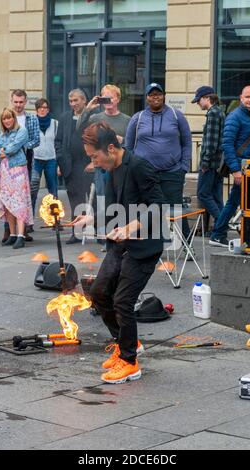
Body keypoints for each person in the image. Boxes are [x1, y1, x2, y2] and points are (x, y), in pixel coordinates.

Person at [70, 122, 167, 384]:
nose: (94, 162)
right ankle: (127, 342)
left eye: (94, 157)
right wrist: (89, 220)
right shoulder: (112, 169)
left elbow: (159, 206)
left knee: (123, 300)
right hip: (121, 244)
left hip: (144, 246)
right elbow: (114, 211)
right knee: (100, 292)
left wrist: (132, 226)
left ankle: (129, 362)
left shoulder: (139, 166)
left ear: (111, 148)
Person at [125, 82, 192, 241]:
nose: (156, 97)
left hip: (173, 172)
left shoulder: (177, 116)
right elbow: (128, 146)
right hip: (145, 174)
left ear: (164, 96)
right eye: (152, 94)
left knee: (175, 209)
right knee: (146, 209)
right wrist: (131, 170)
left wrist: (184, 167)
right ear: (147, 98)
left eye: (158, 94)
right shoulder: (138, 118)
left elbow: (187, 143)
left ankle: (186, 244)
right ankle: (148, 243)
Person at [209, 85, 250, 247]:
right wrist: (236, 170)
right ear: (241, 98)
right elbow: (227, 145)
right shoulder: (234, 116)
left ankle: (217, 234)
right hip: (241, 168)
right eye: (247, 97)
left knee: (233, 202)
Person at [55, 88, 98, 244]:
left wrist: (94, 161)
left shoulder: (92, 117)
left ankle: (99, 231)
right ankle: (77, 232)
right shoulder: (65, 117)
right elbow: (58, 141)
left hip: (88, 164)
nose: (73, 104)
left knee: (94, 199)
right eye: (71, 101)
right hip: (70, 165)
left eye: (76, 100)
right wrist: (60, 160)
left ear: (84, 101)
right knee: (75, 200)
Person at [89, 84, 131, 245]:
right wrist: (89, 108)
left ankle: (118, 233)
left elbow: (132, 143)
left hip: (119, 167)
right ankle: (104, 236)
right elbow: (81, 130)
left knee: (118, 200)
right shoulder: (95, 118)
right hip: (102, 168)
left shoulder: (127, 120)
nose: (108, 101)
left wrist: (123, 141)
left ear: (118, 99)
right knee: (102, 200)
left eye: (111, 97)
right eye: (104, 98)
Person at [1, 89, 40, 243]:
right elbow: (2, 141)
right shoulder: (7, 117)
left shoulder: (31, 118)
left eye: (21, 102)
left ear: (25, 102)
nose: (18, 105)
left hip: (25, 158)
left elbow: (36, 139)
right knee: (7, 195)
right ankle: (8, 230)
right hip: (7, 162)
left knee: (23, 195)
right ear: (12, 101)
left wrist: (21, 146)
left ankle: (23, 231)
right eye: (15, 102)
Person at [0, 108, 33, 250]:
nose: (7, 121)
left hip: (18, 171)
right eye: (4, 119)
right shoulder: (3, 134)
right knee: (8, 203)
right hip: (4, 172)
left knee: (19, 202)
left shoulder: (22, 131)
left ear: (13, 118)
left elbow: (14, 148)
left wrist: (3, 151)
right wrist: (1, 151)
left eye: (9, 118)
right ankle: (13, 234)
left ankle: (21, 235)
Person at [192, 86, 225, 234]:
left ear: (206, 98)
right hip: (218, 163)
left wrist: (204, 163)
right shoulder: (219, 112)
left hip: (210, 164)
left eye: (198, 100)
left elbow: (211, 143)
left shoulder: (212, 114)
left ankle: (221, 223)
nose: (198, 103)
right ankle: (222, 227)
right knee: (216, 197)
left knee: (203, 194)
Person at [30, 98, 58, 215]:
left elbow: (58, 143)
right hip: (35, 160)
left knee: (53, 190)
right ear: (36, 110)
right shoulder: (32, 123)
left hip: (51, 160)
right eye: (40, 108)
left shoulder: (55, 124)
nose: (42, 110)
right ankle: (29, 222)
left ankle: (55, 219)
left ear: (48, 109)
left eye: (45, 107)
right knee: (33, 191)